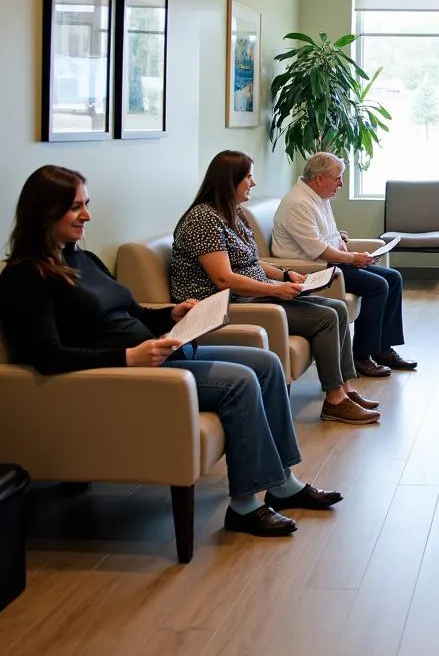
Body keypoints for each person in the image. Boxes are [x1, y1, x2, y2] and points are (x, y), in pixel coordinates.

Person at [0, 165, 342, 539]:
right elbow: (46, 355)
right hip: (126, 375)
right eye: (75, 208)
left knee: (267, 364)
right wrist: (128, 358)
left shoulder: (82, 258)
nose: (87, 215)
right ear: (44, 212)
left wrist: (171, 314)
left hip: (159, 355)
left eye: (87, 204)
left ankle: (283, 483)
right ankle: (245, 505)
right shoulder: (26, 276)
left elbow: (132, 311)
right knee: (240, 382)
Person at [170, 151, 379, 425]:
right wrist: (274, 290)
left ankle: (345, 390)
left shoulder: (233, 213)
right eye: (248, 177)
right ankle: (334, 401)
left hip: (254, 292)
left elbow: (252, 260)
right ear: (229, 181)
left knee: (338, 308)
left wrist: (284, 274)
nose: (253, 184)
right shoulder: (203, 220)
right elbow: (223, 279)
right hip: (226, 303)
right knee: (326, 317)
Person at [271, 152, 416, 377]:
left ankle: (383, 348)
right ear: (319, 178)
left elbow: (328, 233)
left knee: (393, 277)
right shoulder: (298, 203)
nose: (341, 183)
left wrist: (342, 242)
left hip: (331, 261)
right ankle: (361, 356)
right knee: (377, 286)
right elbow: (316, 249)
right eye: (338, 178)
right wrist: (353, 258)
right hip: (313, 269)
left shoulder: (319, 196)